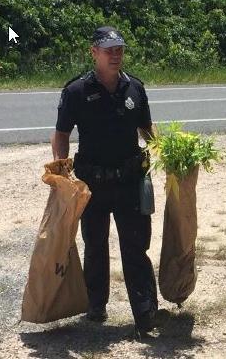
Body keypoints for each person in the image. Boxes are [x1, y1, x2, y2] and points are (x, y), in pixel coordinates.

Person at [51, 26, 158, 335]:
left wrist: (168, 153)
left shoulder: (135, 88)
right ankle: (95, 306)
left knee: (136, 247)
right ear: (93, 52)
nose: (115, 55)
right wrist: (61, 170)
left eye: (119, 49)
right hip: (92, 183)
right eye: (108, 49)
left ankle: (145, 313)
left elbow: (147, 130)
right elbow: (61, 135)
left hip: (129, 181)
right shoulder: (76, 91)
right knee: (95, 245)